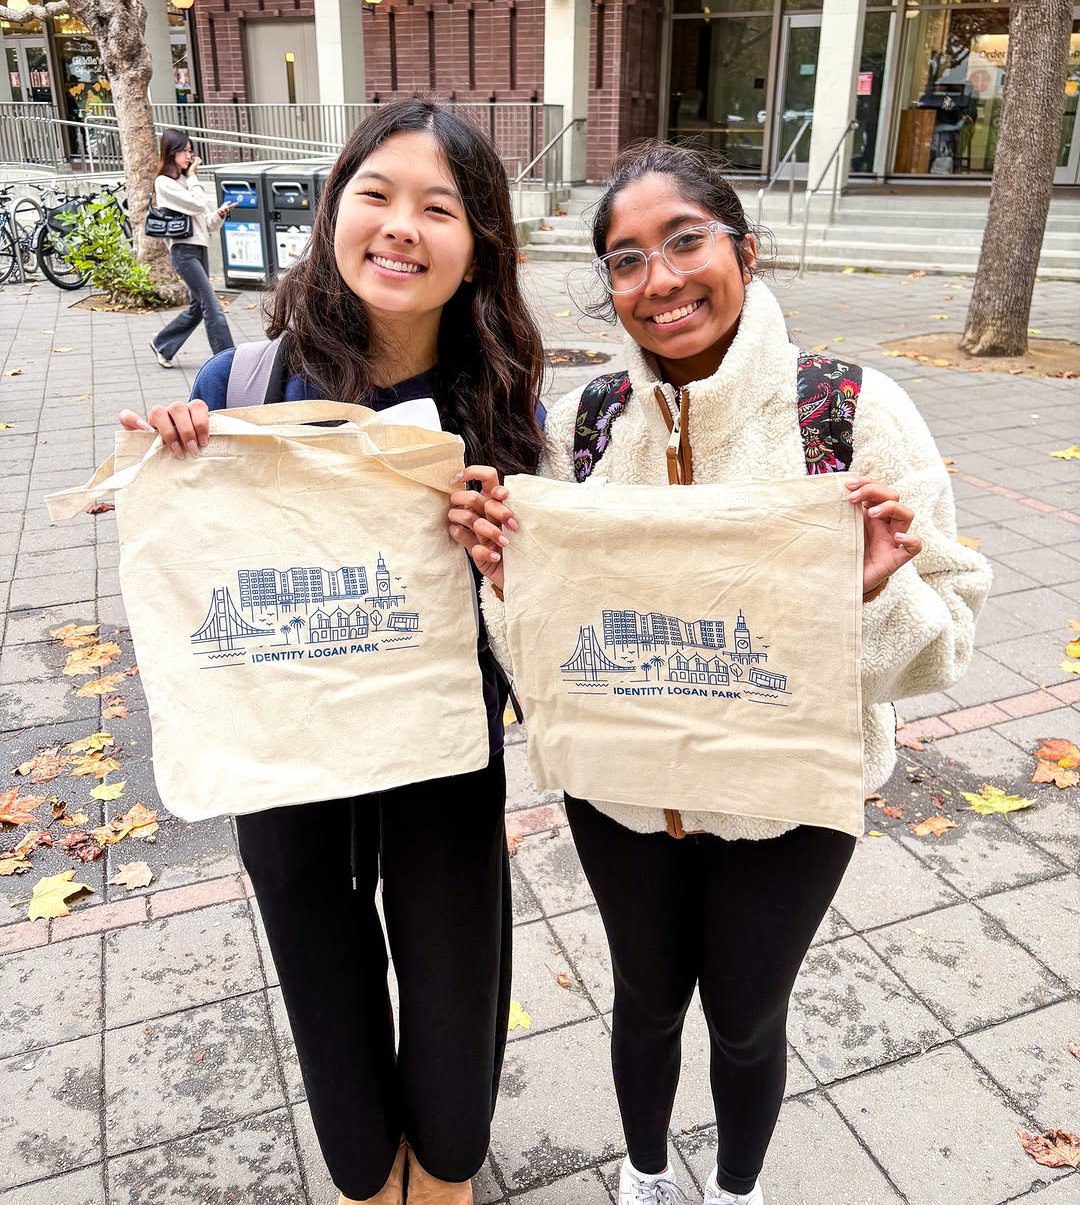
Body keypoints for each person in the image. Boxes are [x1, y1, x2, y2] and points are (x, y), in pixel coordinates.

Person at [449, 141, 991, 1205]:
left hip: (790, 809)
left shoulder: (848, 411)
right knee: (645, 1003)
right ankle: (646, 1175)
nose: (660, 280)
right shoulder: (586, 423)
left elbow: (950, 634)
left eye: (684, 241)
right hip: (625, 795)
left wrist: (879, 594)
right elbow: (543, 648)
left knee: (747, 1018)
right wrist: (505, 581)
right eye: (625, 259)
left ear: (744, 248)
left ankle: (736, 1188)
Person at [119, 100, 546, 1204]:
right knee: (316, 946)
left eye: (439, 208)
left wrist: (506, 550)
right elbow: (204, 560)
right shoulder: (244, 386)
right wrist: (178, 456)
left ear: (478, 244)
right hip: (284, 729)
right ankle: (364, 1171)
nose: (402, 227)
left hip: (441, 739)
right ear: (335, 211)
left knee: (455, 960)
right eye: (378, 195)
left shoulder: (498, 401)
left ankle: (448, 1169)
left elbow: (541, 604)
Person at [148, 127, 235, 368]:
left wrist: (220, 214)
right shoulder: (164, 183)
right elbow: (197, 204)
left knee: (198, 308)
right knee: (211, 305)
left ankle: (163, 344)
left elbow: (207, 222)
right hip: (183, 253)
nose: (190, 156)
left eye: (190, 151)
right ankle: (229, 360)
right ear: (171, 153)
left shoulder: (185, 182)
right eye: (184, 151)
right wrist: (195, 177)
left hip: (199, 249)